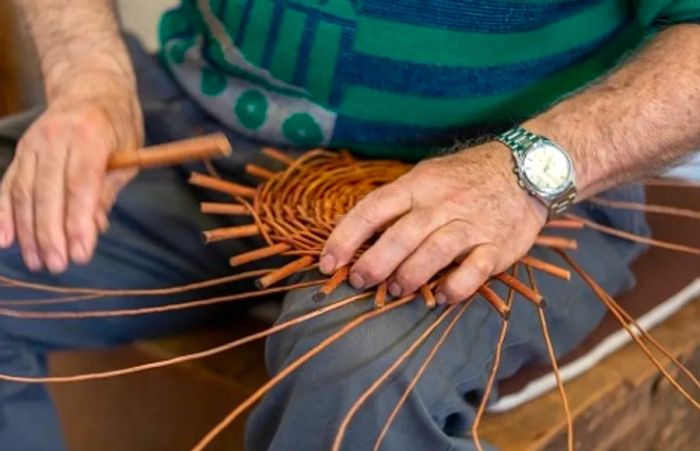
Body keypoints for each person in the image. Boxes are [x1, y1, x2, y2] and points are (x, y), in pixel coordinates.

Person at [0, 1, 698, 450]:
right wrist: (89, 77)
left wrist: (530, 169)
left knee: (356, 377)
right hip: (200, 119)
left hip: (520, 176)